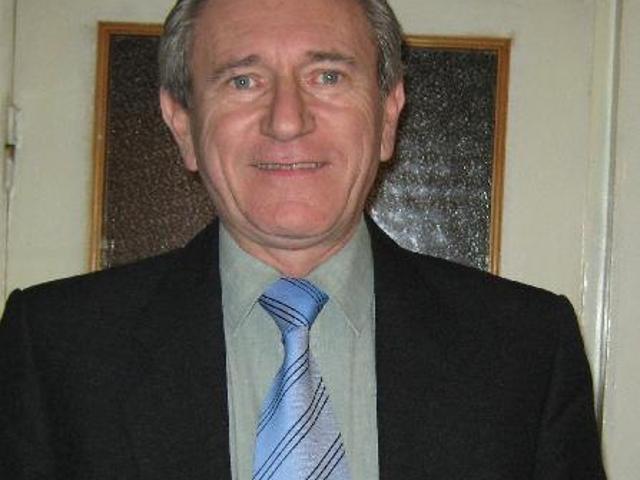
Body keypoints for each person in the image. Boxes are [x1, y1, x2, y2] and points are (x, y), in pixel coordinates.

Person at [0, 0, 606, 478]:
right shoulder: (56, 347)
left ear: (388, 114)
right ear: (182, 123)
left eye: (327, 75)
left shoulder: (527, 347)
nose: (287, 120)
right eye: (243, 81)